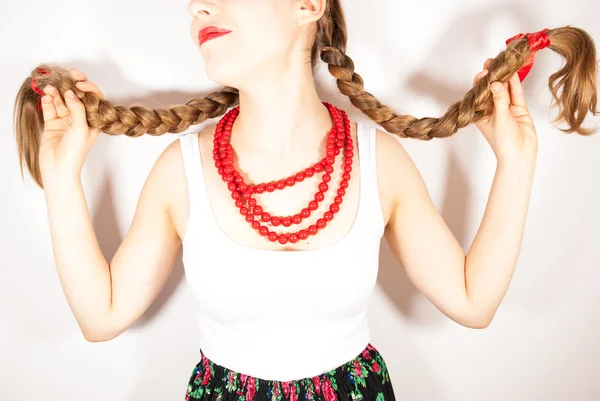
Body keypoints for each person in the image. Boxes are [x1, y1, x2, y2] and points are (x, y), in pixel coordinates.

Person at [12, 0, 599, 400]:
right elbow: (101, 316)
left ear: (308, 4)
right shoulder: (182, 171)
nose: (199, 7)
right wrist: (62, 177)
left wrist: (516, 163)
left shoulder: (377, 160)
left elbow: (473, 301)